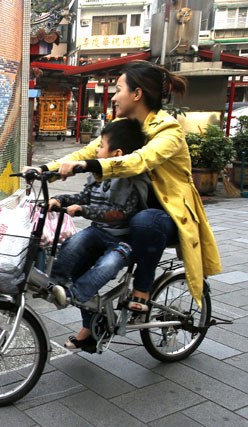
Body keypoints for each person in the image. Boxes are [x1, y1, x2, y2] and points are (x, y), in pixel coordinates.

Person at [28, 60, 221, 319]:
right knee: (80, 257)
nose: (114, 96)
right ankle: (90, 329)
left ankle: (142, 290)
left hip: (164, 216)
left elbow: (139, 160)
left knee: (145, 220)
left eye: (118, 89)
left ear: (137, 94)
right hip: (121, 214)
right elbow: (87, 151)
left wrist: (87, 166)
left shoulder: (169, 131)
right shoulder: (124, 126)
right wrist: (44, 169)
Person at [46, 119, 150, 353]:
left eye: (101, 146)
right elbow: (84, 197)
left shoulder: (132, 180)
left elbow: (121, 213)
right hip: (99, 231)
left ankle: (75, 294)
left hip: (124, 239)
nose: (97, 151)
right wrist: (60, 200)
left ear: (117, 153)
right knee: (72, 244)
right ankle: (57, 284)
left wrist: (84, 211)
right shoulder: (97, 175)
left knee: (107, 266)